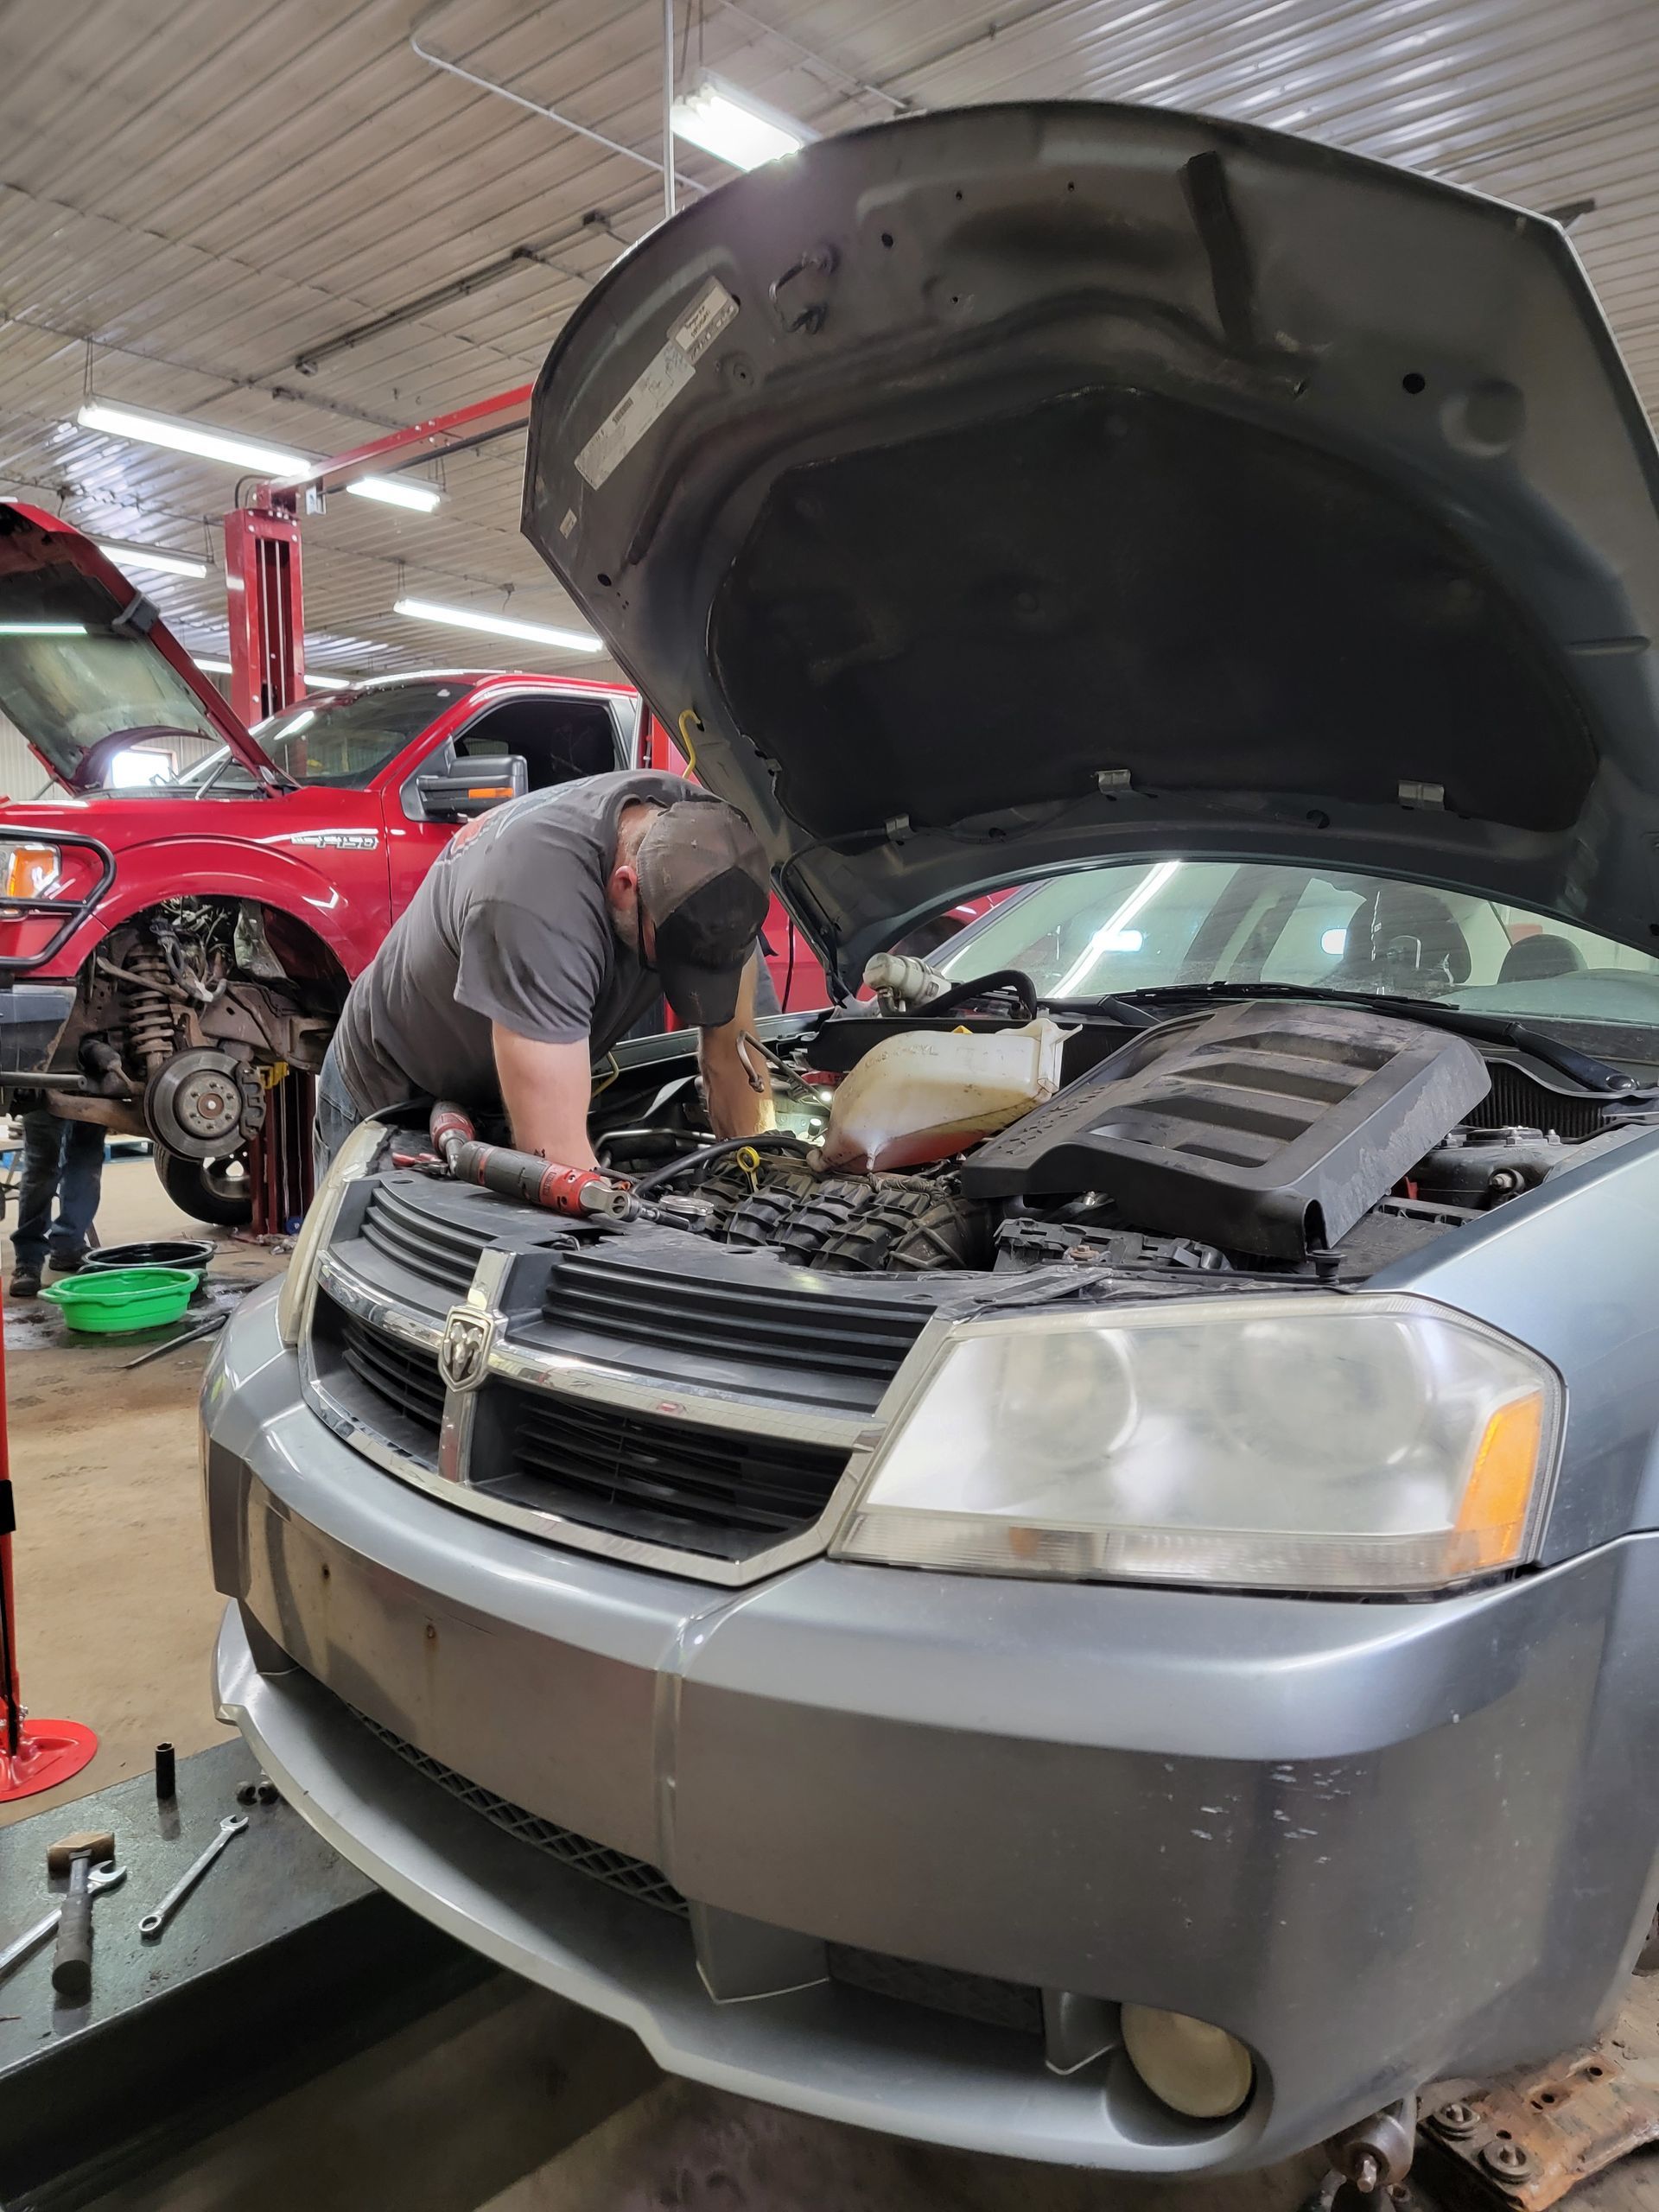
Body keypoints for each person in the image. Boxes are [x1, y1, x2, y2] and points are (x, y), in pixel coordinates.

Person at [315, 769, 775, 1174]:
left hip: (495, 1092)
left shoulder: (711, 853)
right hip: (393, 1090)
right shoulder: (538, 903)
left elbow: (730, 1054)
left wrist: (753, 1174)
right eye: (666, 959)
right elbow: (558, 1160)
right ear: (625, 886)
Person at [9, 1106, 105, 1299]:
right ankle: (28, 1260)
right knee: (41, 1166)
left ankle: (69, 1246)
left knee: (86, 1163)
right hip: (44, 1090)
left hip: (98, 1090)